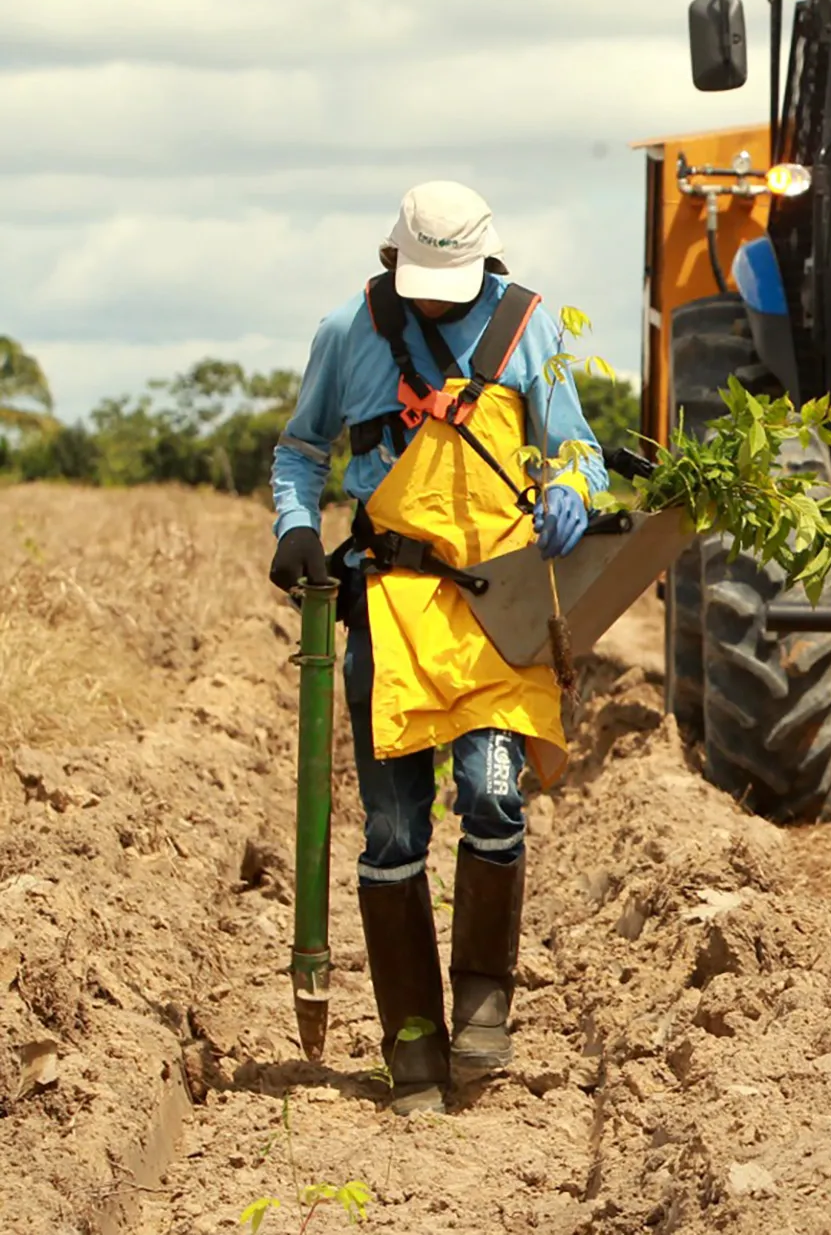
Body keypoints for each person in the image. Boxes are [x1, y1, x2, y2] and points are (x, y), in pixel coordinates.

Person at [267, 181, 607, 1113]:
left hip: (500, 607)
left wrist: (575, 485)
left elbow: (578, 447)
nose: (432, 298)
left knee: (495, 798)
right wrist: (295, 525)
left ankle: (484, 1005)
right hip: (388, 606)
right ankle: (411, 1034)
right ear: (392, 259)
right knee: (391, 830)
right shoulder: (348, 331)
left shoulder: (530, 327)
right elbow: (300, 450)